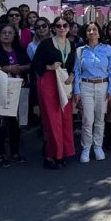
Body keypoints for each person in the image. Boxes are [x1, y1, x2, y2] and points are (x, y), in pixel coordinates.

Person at [31, 16, 76, 169]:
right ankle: (51, 155)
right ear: (54, 28)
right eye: (58, 26)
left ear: (68, 28)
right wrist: (49, 67)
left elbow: (72, 65)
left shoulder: (71, 44)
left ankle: (63, 153)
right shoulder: (46, 44)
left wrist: (72, 75)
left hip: (64, 82)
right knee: (52, 120)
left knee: (65, 119)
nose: (62, 28)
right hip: (49, 82)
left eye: (65, 25)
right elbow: (35, 64)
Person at [73, 22, 111, 163]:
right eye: (89, 30)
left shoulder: (107, 49)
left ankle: (98, 146)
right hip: (86, 86)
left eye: (94, 29)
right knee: (87, 119)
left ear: (99, 32)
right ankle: (86, 148)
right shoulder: (80, 50)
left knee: (99, 118)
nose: (92, 32)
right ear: (85, 33)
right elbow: (76, 71)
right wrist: (77, 90)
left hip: (102, 85)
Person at [0, 23, 30, 167]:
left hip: (19, 89)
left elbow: (30, 65)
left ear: (14, 36)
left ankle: (15, 152)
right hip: (1, 90)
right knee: (0, 124)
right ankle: (0, 155)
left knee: (16, 124)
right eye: (4, 32)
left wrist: (19, 68)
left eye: (10, 33)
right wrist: (6, 68)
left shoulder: (20, 50)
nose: (7, 35)